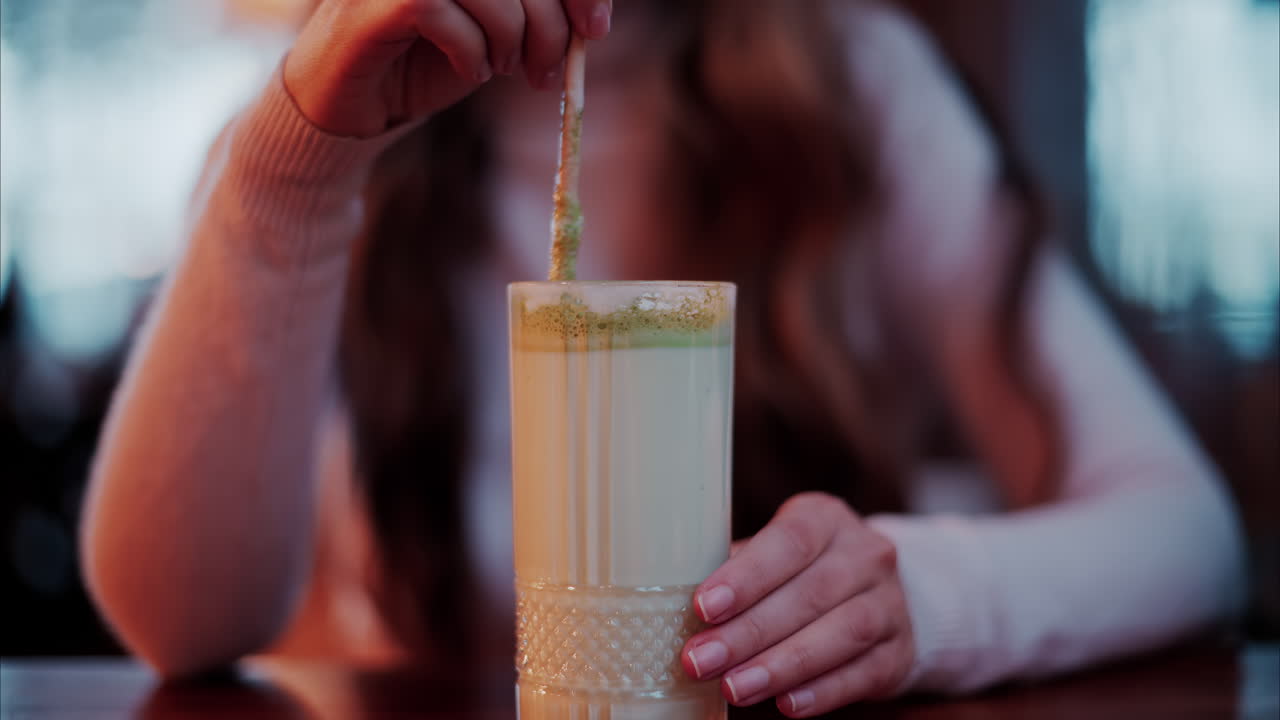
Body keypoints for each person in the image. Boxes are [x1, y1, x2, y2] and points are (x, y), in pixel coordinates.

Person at [80, 0, 1246, 715]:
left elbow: (1187, 531)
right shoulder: (304, 123)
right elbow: (178, 627)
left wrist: (911, 600)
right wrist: (300, 153)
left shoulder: (854, 87)